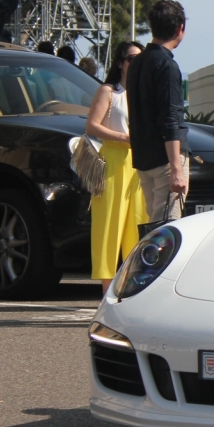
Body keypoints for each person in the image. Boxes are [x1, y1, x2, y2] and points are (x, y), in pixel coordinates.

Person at [85, 41, 147, 293]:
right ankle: (107, 290)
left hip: (140, 164)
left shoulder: (144, 92)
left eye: (139, 60)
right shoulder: (109, 92)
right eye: (131, 59)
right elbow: (92, 126)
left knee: (138, 223)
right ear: (121, 62)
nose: (135, 64)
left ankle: (132, 287)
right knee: (109, 224)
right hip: (113, 161)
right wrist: (124, 138)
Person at [126, 0, 189, 224]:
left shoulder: (136, 63)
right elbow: (170, 117)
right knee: (167, 226)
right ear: (179, 28)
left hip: (143, 156)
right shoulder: (167, 66)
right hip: (165, 159)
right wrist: (176, 169)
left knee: (154, 221)